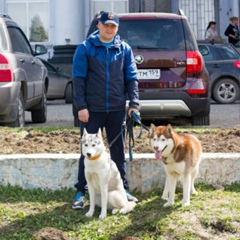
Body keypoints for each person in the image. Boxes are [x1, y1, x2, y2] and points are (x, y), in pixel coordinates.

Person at [72, 11, 139, 209]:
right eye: (106, 25)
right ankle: (80, 191)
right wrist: (81, 107)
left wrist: (134, 103)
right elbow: (78, 80)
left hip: (117, 109)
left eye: (114, 26)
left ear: (117, 28)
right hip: (92, 110)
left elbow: (131, 78)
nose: (110, 29)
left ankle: (122, 188)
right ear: (99, 25)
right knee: (88, 151)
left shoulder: (124, 49)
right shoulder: (85, 48)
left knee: (118, 151)